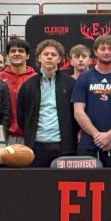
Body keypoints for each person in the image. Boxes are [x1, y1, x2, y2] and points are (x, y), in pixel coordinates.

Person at [72, 34, 111, 167]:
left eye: (110, 49)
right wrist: (97, 135)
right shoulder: (83, 78)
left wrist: (109, 135)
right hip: (89, 143)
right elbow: (78, 111)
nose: (106, 52)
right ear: (95, 51)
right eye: (103, 48)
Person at [17, 39, 77, 167]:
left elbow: (76, 114)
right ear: (39, 58)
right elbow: (22, 118)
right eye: (46, 54)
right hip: (36, 146)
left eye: (54, 55)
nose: (49, 57)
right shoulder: (28, 86)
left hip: (64, 146)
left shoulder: (71, 84)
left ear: (60, 59)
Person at [0, 38, 36, 144]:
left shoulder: (37, 79)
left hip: (31, 136)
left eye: (21, 51)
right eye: (13, 51)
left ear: (28, 56)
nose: (17, 53)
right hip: (3, 135)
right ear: (7, 56)